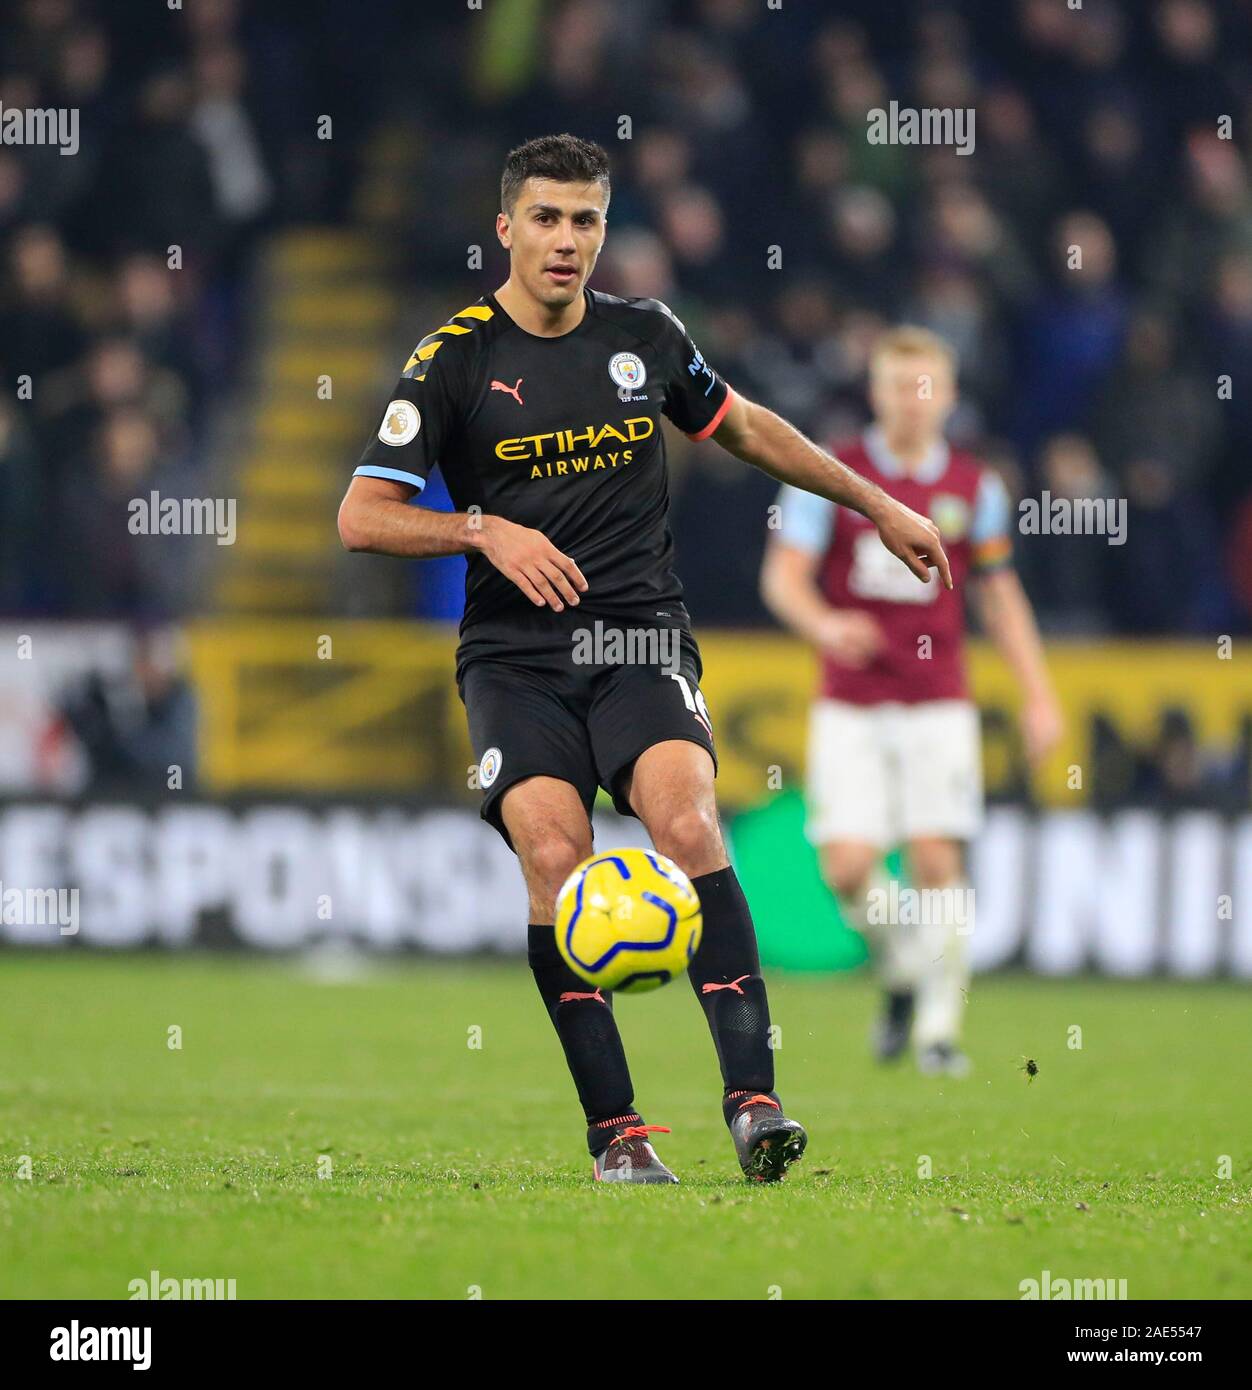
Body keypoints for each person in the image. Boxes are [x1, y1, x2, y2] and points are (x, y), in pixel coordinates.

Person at [338, 135, 950, 1182]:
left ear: (603, 230)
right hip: (514, 657)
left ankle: (754, 1103)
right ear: (506, 228)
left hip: (637, 638)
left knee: (686, 819)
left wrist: (876, 500)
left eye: (585, 220)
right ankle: (615, 1133)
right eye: (545, 218)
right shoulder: (452, 361)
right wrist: (483, 530)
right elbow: (361, 516)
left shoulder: (646, 338)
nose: (565, 241)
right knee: (551, 858)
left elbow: (746, 428)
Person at [761, 326, 1062, 1075]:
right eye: (900, 385)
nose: (913, 400)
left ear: (950, 396)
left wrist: (1038, 694)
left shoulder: (974, 488)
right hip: (851, 702)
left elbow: (1000, 597)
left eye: (927, 386)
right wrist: (825, 622)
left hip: (938, 701)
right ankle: (901, 970)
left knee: (935, 855)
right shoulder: (832, 475)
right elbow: (783, 578)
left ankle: (938, 1030)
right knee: (848, 869)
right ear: (877, 392)